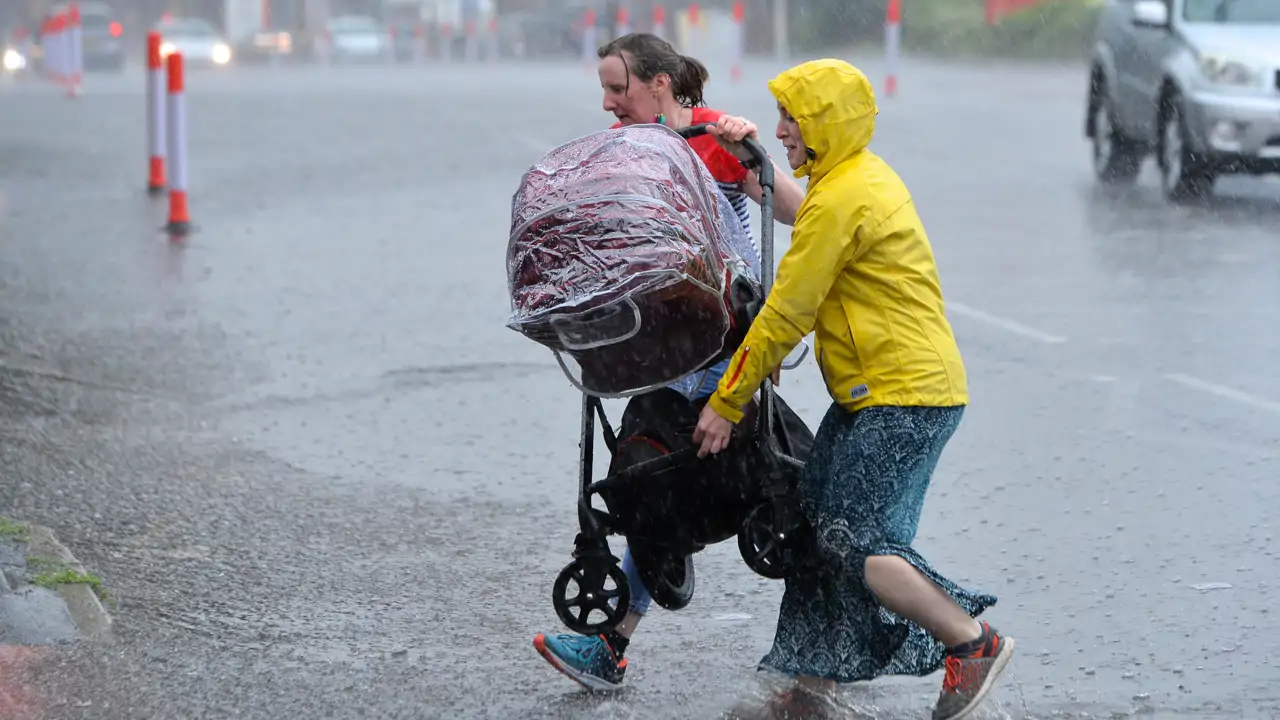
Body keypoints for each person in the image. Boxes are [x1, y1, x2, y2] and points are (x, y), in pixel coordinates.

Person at [691, 59, 1016, 720]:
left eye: (793, 119)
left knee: (857, 542)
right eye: (779, 119)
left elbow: (787, 310)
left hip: (904, 398)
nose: (782, 130)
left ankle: (971, 643)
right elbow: (802, 247)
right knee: (818, 531)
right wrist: (748, 153)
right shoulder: (852, 178)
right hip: (884, 394)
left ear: (825, 125)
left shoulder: (842, 197)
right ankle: (815, 689)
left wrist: (728, 401)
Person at [531, 32, 807, 693]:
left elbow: (801, 212)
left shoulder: (715, 140)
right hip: (660, 355)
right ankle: (610, 645)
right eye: (602, 89)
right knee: (653, 488)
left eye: (617, 88)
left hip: (723, 355)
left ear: (660, 83)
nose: (606, 102)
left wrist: (756, 162)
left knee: (793, 489)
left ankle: (851, 634)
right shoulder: (621, 155)